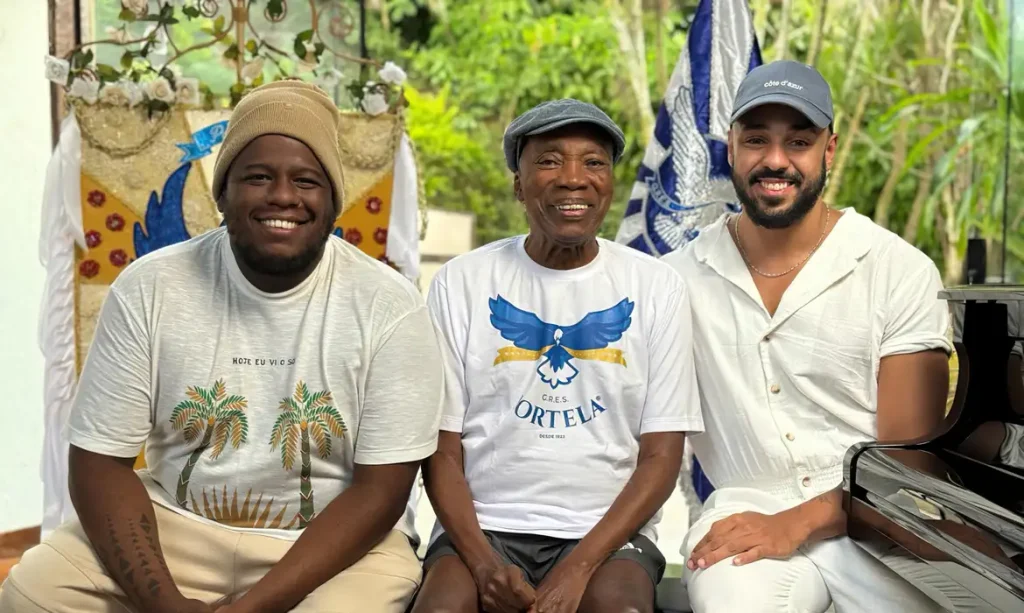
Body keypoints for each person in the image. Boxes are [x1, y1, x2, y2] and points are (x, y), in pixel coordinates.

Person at [0, 80, 443, 613]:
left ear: (332, 202)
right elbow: (99, 463)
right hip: (175, 527)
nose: (283, 196)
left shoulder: (389, 305)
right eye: (257, 177)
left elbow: (382, 490)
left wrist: (253, 607)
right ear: (223, 194)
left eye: (306, 181)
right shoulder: (150, 287)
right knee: (31, 595)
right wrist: (163, 601)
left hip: (334, 542)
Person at [662, 60, 953, 612]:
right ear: (731, 148)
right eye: (756, 140)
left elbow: (907, 462)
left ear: (830, 149)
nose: (775, 160)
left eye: (798, 140)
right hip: (744, 514)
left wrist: (798, 522)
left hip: (880, 517)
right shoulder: (677, 278)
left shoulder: (898, 269)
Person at [411, 99, 704, 613]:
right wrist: (483, 566)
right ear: (518, 184)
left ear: (610, 183)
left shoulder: (656, 287)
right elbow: (441, 450)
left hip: (609, 533)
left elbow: (661, 457)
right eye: (549, 160)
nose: (574, 178)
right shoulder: (463, 282)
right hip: (483, 528)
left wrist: (579, 568)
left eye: (593, 162)